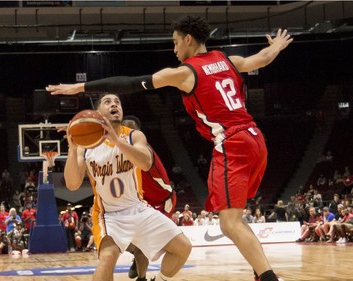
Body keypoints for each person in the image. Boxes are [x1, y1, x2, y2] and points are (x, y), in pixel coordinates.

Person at [46, 15, 292, 281]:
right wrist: (277, 45)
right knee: (235, 219)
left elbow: (128, 83)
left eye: (175, 43)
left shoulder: (185, 72)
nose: (174, 50)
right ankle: (260, 272)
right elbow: (263, 58)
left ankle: (268, 277)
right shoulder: (227, 60)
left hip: (231, 141)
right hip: (256, 138)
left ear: (188, 39)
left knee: (229, 223)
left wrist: (80, 87)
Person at [58, 93, 191, 281]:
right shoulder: (85, 146)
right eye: (108, 102)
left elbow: (145, 163)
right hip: (109, 215)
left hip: (138, 208)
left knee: (183, 248)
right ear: (97, 113)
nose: (114, 104)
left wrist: (117, 141)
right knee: (108, 257)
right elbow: (72, 185)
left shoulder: (134, 136)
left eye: (117, 102)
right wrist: (72, 149)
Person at [122, 115, 178, 280]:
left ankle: (142, 276)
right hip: (142, 201)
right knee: (112, 235)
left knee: (144, 243)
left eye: (131, 129)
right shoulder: (120, 150)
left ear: (138, 133)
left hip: (162, 201)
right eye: (125, 128)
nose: (128, 132)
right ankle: (137, 256)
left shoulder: (142, 149)